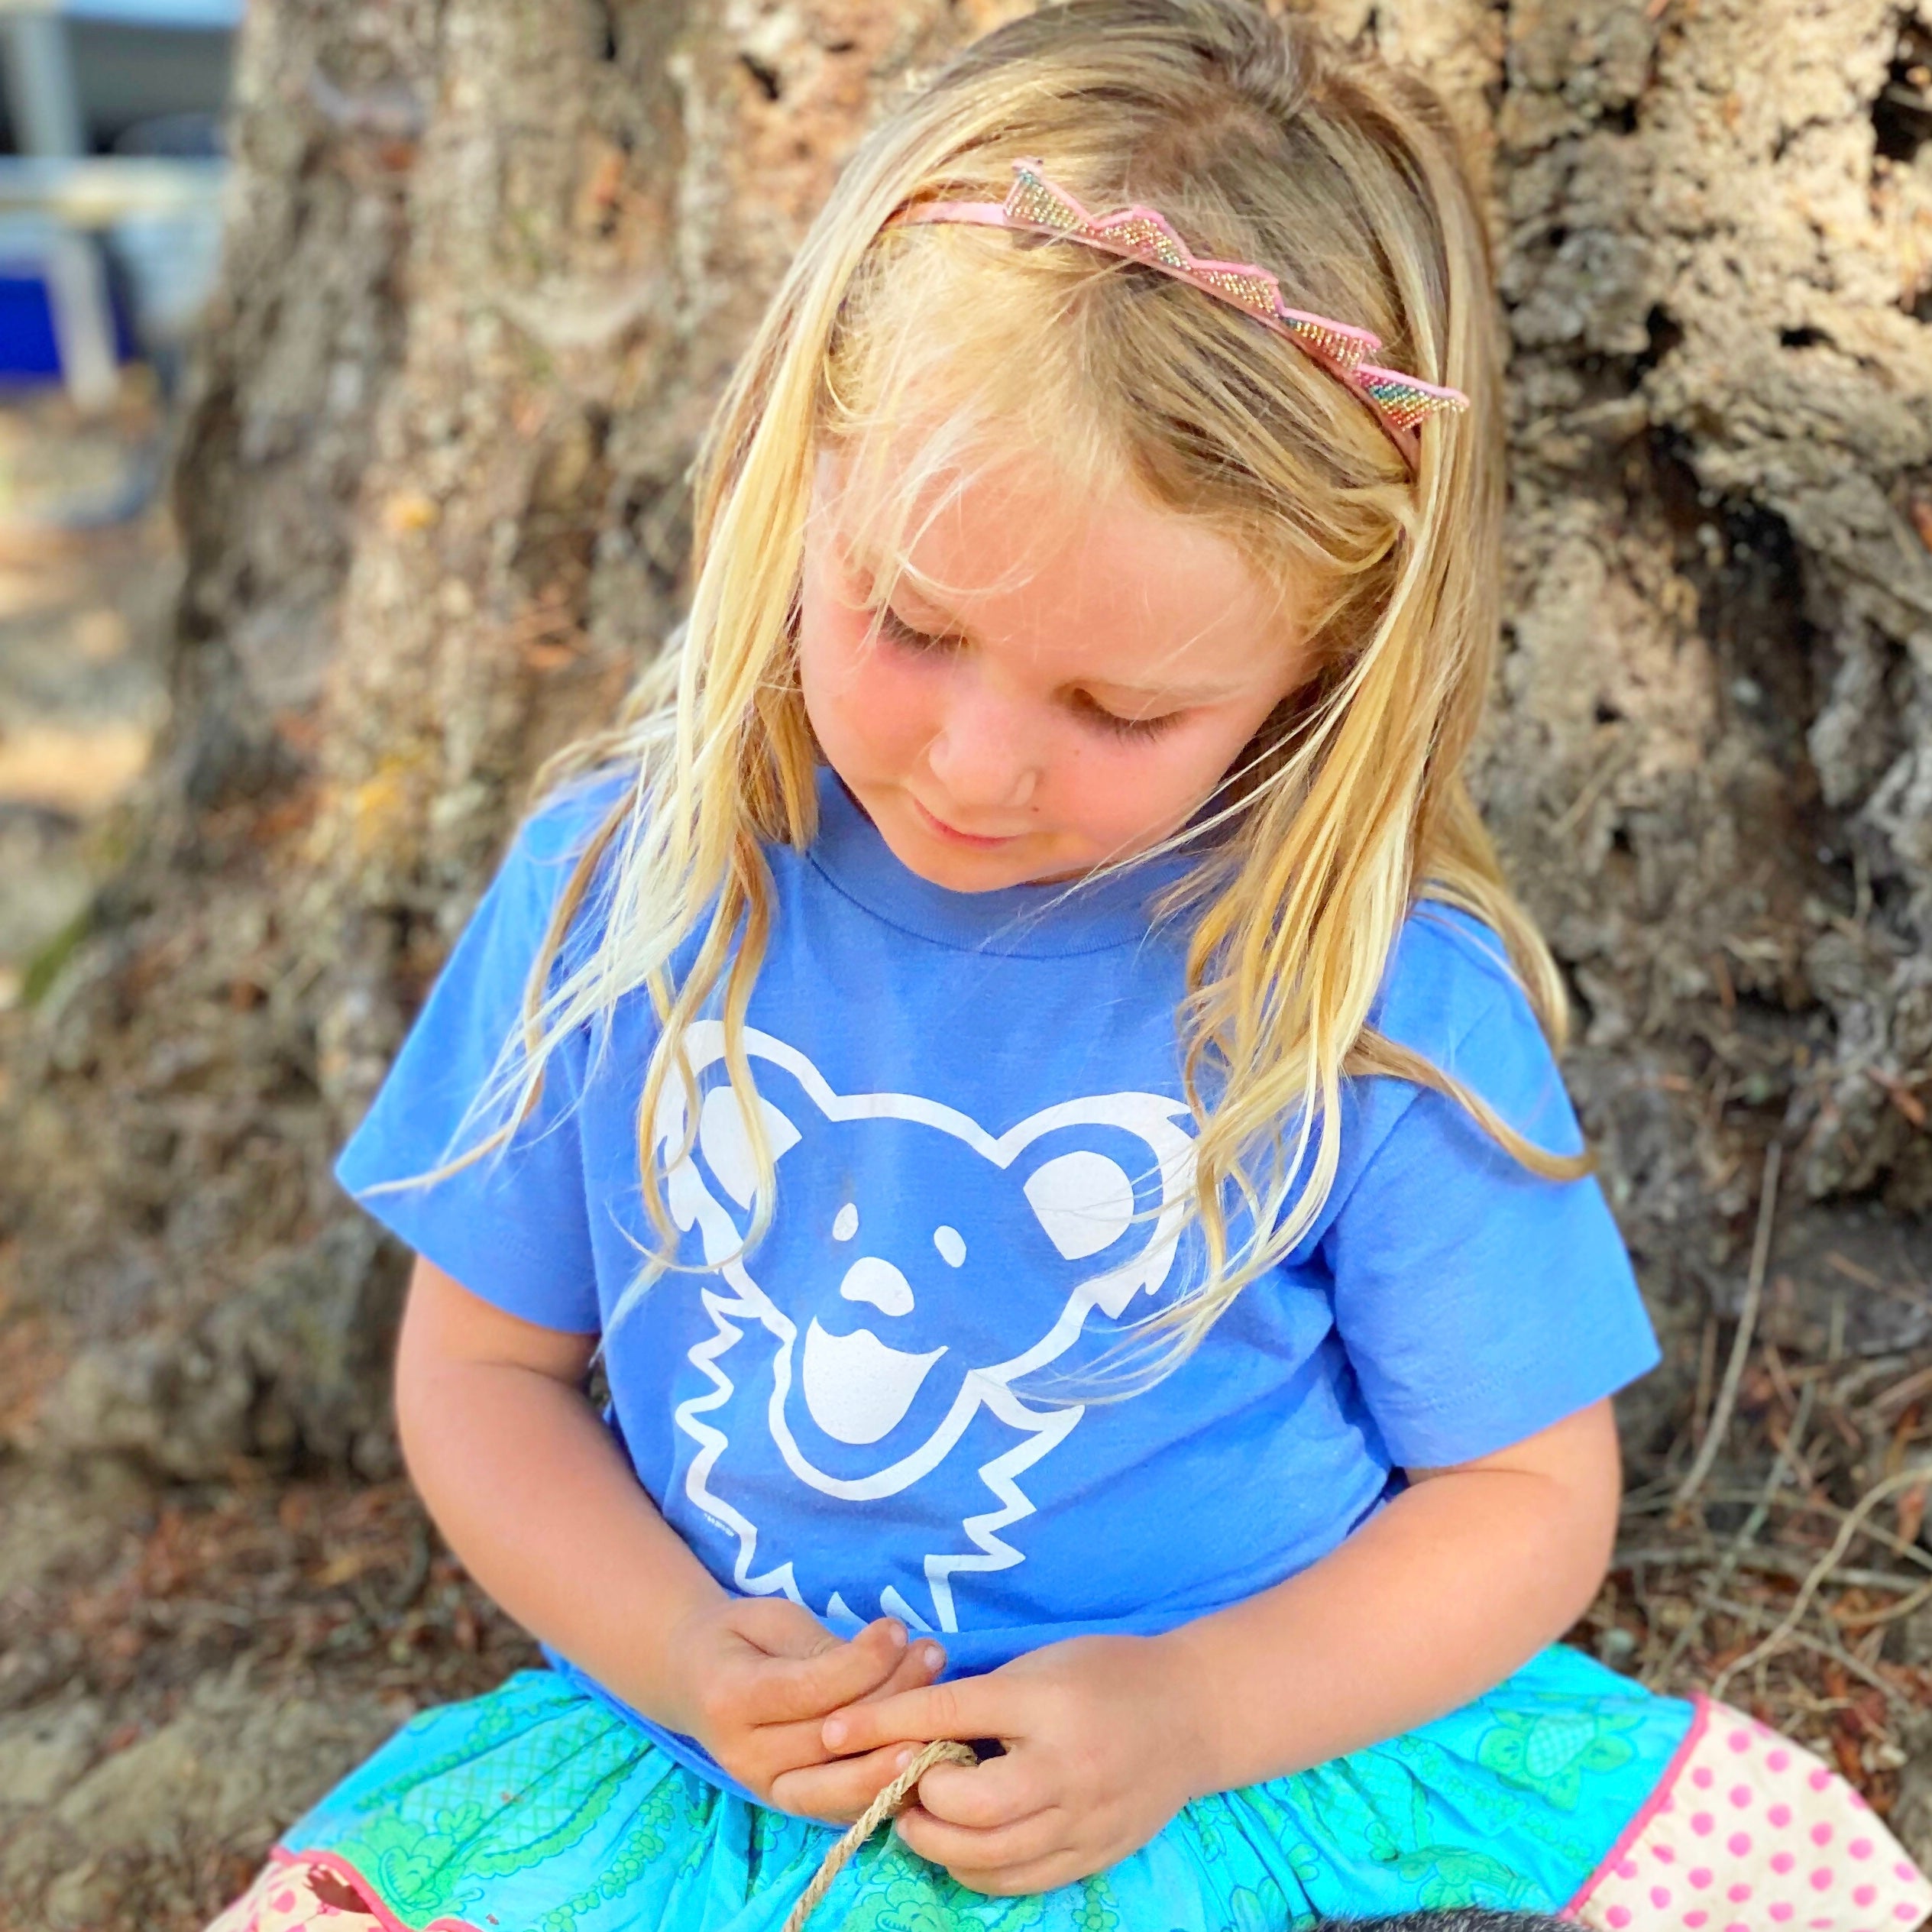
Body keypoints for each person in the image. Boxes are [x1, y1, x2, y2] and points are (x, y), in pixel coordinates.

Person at [209, 3, 1932, 1929]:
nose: (973, 764)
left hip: (1242, 1765)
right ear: (807, 476)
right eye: (908, 621)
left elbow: (1524, 1503)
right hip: (707, 1775)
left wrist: (1193, 1710)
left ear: (1318, 663)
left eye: (1119, 705)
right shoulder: (627, 888)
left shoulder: (1358, 987)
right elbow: (477, 1371)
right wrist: (689, 1656)